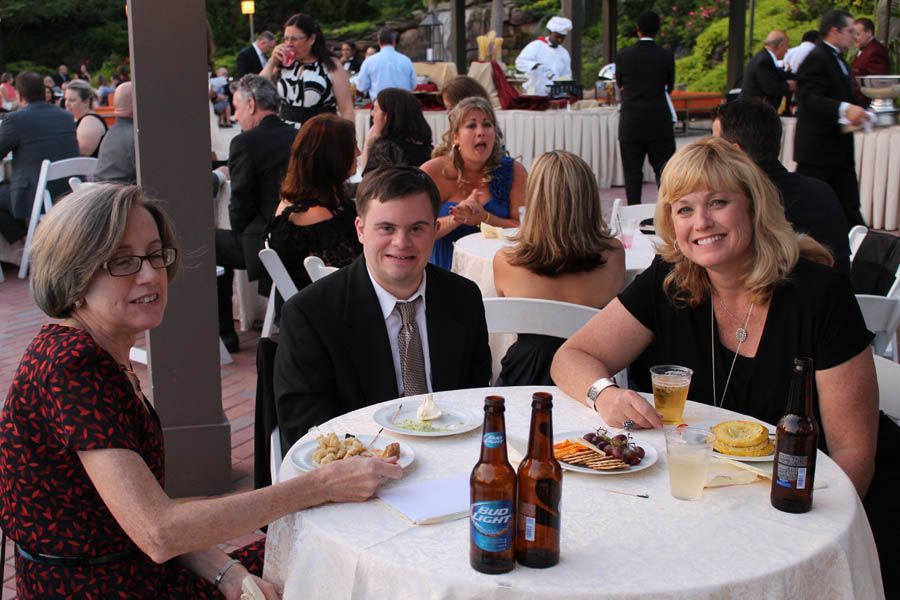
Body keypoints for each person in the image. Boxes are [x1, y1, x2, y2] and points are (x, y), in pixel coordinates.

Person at [0, 183, 402, 598]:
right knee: (327, 565)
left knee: (315, 557)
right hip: (105, 588)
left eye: (156, 255)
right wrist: (319, 487)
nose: (150, 274)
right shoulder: (74, 366)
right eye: (122, 261)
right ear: (75, 270)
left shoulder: (93, 353)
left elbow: (150, 516)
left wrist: (228, 575)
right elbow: (159, 532)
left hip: (127, 570)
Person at [551, 136, 877, 493]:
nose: (702, 222)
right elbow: (570, 357)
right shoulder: (669, 279)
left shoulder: (820, 295)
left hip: (805, 494)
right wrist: (605, 395)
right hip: (704, 491)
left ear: (753, 207)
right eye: (684, 209)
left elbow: (853, 455)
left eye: (718, 202)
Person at [274, 165, 492, 446]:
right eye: (386, 228)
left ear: (435, 230)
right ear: (361, 230)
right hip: (360, 469)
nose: (401, 242)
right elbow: (306, 428)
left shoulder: (464, 298)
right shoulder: (310, 315)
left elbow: (473, 401)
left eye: (416, 228)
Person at [493, 151, 624, 386]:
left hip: (525, 381)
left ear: (534, 201)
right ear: (589, 199)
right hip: (592, 380)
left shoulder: (505, 261)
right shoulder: (614, 254)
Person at [713, 100, 851, 273]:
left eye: (714, 146)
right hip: (841, 293)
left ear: (735, 152)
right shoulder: (821, 190)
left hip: (786, 295)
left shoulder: (744, 203)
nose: (711, 154)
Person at [215, 75, 298, 353]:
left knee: (204, 244)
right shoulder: (298, 136)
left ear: (251, 104)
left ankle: (225, 334)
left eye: (237, 107)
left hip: (266, 243)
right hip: (298, 234)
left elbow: (239, 209)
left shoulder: (245, 143)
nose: (235, 115)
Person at [421, 97, 527, 270]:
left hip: (499, 270)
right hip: (444, 270)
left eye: (487, 125)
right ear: (455, 137)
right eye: (471, 125)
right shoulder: (432, 172)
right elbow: (414, 230)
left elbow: (524, 229)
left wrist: (485, 218)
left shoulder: (515, 171)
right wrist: (456, 218)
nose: (481, 132)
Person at [268, 113, 363, 300]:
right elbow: (348, 276)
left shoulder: (299, 198)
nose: (358, 153)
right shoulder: (315, 216)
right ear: (334, 157)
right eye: (353, 146)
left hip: (313, 303)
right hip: (327, 312)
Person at [794, 9, 868, 228]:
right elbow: (809, 98)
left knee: (848, 208)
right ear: (834, 31)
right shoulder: (817, 57)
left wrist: (864, 112)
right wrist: (845, 109)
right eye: (850, 31)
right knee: (809, 211)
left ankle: (860, 255)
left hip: (838, 152)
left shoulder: (840, 61)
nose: (854, 36)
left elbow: (845, 96)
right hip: (818, 153)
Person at [0, 72, 79, 244]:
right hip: (68, 191)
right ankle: (30, 243)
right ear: (44, 92)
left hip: (35, 195)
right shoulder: (66, 117)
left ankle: (27, 244)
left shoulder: (15, 120)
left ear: (20, 96)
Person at [615, 10, 676, 206]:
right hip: (658, 120)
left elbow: (620, 83)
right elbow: (670, 87)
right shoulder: (665, 55)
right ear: (658, 30)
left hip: (631, 120)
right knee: (664, 170)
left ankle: (633, 211)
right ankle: (666, 211)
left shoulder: (624, 55)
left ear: (637, 30)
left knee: (632, 171)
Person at [260, 13, 354, 128]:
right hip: (286, 132)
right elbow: (259, 89)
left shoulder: (330, 65)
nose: (289, 44)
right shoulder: (284, 64)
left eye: (294, 39)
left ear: (311, 39)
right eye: (286, 38)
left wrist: (350, 140)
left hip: (320, 132)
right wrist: (272, 61)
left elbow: (346, 109)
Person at [361, 87, 433, 174]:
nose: (372, 113)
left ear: (387, 116)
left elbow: (369, 181)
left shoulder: (386, 148)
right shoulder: (427, 147)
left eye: (376, 109)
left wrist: (368, 144)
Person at [514, 16, 573, 96]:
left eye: (562, 38)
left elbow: (566, 75)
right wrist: (535, 65)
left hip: (555, 95)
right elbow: (520, 62)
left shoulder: (564, 53)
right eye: (557, 37)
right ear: (550, 33)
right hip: (535, 93)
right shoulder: (536, 46)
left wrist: (567, 88)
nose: (560, 40)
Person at [740, 30, 795, 111]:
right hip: (753, 111)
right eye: (787, 46)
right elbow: (771, 88)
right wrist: (789, 85)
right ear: (781, 45)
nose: (787, 50)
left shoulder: (765, 57)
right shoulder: (764, 60)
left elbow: (779, 74)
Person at [356, 28, 417, 101]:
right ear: (394, 41)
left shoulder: (369, 61)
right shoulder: (406, 60)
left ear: (379, 42)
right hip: (402, 104)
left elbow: (361, 86)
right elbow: (413, 85)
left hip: (379, 106)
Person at [95, 82, 136, 183]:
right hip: (125, 196)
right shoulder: (136, 136)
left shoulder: (110, 134)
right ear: (134, 104)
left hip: (103, 194)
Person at [851, 18, 890, 107]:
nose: (854, 38)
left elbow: (878, 82)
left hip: (867, 106)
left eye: (857, 34)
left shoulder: (876, 51)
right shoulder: (865, 48)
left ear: (869, 33)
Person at [64, 79, 108, 158]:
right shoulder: (82, 119)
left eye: (72, 100)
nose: (67, 104)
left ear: (86, 102)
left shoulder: (90, 120)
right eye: (66, 99)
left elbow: (82, 151)